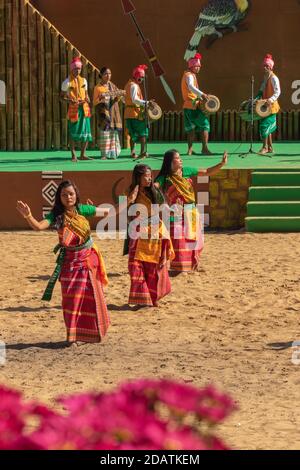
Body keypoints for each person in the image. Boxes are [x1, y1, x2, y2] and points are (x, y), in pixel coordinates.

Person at [16, 180, 110, 345]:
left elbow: (107, 211)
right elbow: (39, 226)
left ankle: (89, 334)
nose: (68, 197)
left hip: (88, 259)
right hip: (69, 263)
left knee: (90, 297)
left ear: (76, 195)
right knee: (71, 301)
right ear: (59, 197)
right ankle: (71, 336)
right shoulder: (56, 215)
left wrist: (127, 202)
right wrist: (28, 216)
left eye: (71, 194)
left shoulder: (82, 209)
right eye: (64, 195)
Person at [155, 150, 227, 273]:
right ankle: (178, 267)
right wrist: (164, 203)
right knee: (177, 240)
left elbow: (207, 172)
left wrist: (221, 164)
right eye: (178, 158)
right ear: (170, 162)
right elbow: (154, 188)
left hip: (190, 210)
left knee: (192, 239)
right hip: (175, 212)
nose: (181, 159)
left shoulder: (186, 171)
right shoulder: (164, 177)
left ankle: (192, 266)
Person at [123, 164, 174, 307]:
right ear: (137, 177)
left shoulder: (154, 190)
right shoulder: (130, 191)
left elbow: (162, 205)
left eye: (150, 175)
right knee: (136, 266)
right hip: (137, 231)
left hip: (154, 230)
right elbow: (126, 210)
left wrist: (170, 211)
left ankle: (153, 297)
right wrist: (131, 199)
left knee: (153, 266)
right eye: (145, 176)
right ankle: (141, 299)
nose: (149, 178)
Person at [61, 57, 93, 162]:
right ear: (72, 69)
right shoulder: (66, 82)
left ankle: (83, 154)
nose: (77, 71)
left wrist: (87, 99)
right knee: (73, 132)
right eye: (75, 69)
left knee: (86, 132)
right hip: (74, 109)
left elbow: (87, 95)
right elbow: (61, 97)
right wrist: (70, 101)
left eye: (79, 69)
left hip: (84, 109)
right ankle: (73, 155)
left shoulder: (84, 80)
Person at [181, 52, 211, 156]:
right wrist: (202, 94)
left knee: (190, 129)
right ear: (192, 66)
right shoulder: (190, 76)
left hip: (187, 106)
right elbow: (190, 87)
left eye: (199, 66)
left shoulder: (186, 74)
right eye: (197, 66)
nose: (198, 68)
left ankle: (190, 150)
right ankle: (204, 149)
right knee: (205, 126)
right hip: (194, 106)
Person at [93, 67, 125, 160]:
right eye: (106, 74)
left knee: (113, 134)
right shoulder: (97, 88)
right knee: (105, 133)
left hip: (112, 112)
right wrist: (103, 98)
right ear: (101, 75)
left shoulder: (112, 86)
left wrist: (118, 95)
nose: (108, 76)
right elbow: (95, 102)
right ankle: (104, 154)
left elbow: (117, 98)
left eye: (110, 73)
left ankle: (113, 154)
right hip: (104, 113)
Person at [124, 65, 155, 159]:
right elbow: (135, 99)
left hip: (129, 113)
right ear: (135, 76)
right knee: (143, 133)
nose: (141, 79)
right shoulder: (133, 86)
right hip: (135, 113)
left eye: (142, 77)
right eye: (140, 77)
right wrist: (147, 103)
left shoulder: (128, 84)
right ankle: (143, 152)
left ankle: (133, 153)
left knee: (133, 134)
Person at [256, 54, 281, 155]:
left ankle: (265, 147)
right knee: (268, 128)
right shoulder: (266, 78)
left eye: (266, 66)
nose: (264, 68)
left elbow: (278, 92)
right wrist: (257, 97)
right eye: (264, 66)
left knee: (265, 126)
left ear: (270, 67)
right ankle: (270, 147)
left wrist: (270, 100)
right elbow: (262, 89)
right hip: (265, 107)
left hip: (272, 107)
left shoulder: (274, 78)